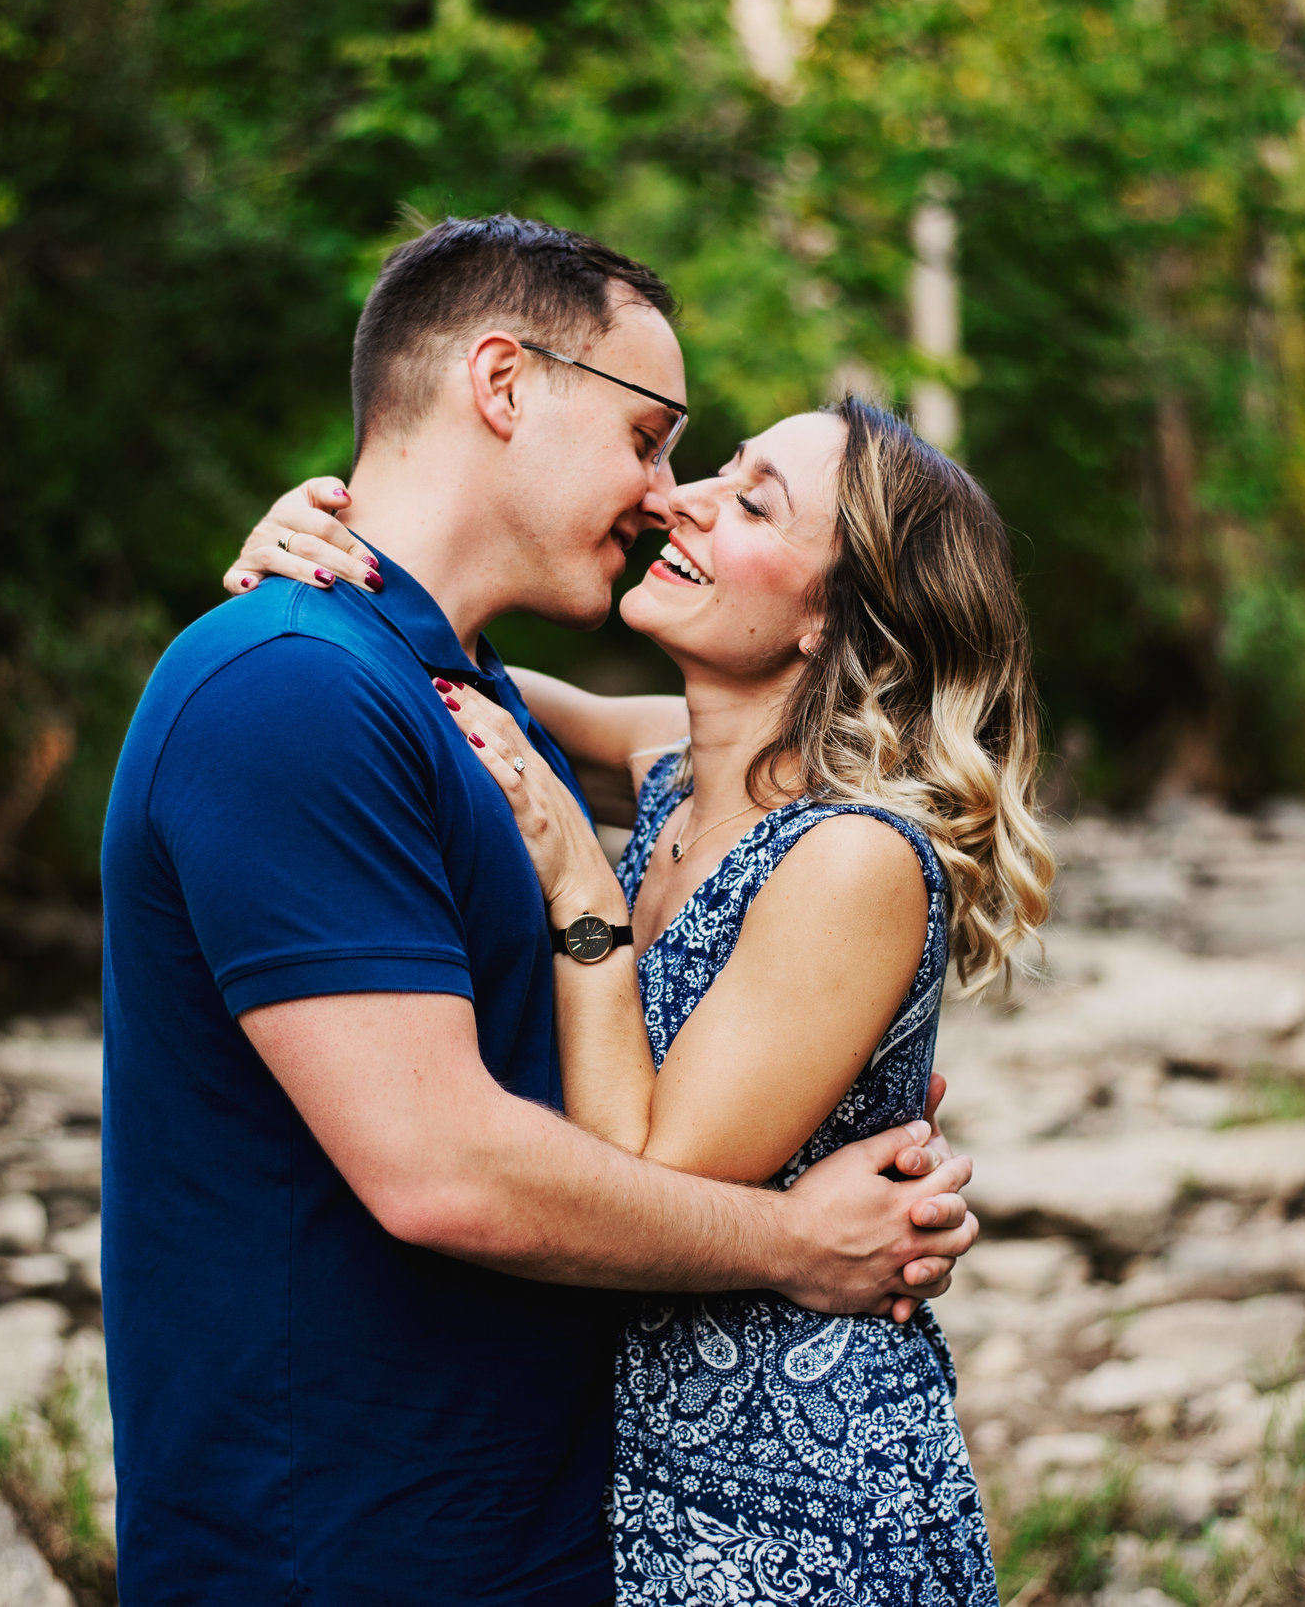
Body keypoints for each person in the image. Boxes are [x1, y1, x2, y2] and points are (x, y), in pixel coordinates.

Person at [98, 215, 982, 1607]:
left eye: (725, 485)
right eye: (651, 440)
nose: (666, 493)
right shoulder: (289, 688)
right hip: (338, 1549)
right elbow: (442, 1167)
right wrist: (798, 1243)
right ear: (503, 385)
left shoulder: (471, 699)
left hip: (554, 1526)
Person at [236, 397, 1056, 1603]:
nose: (683, 498)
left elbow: (652, 1165)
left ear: (840, 620)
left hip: (795, 1501)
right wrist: (311, 561)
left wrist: (583, 892)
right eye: (717, 469)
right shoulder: (674, 764)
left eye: (752, 501)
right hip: (628, 1474)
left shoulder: (853, 859)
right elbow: (436, 680)